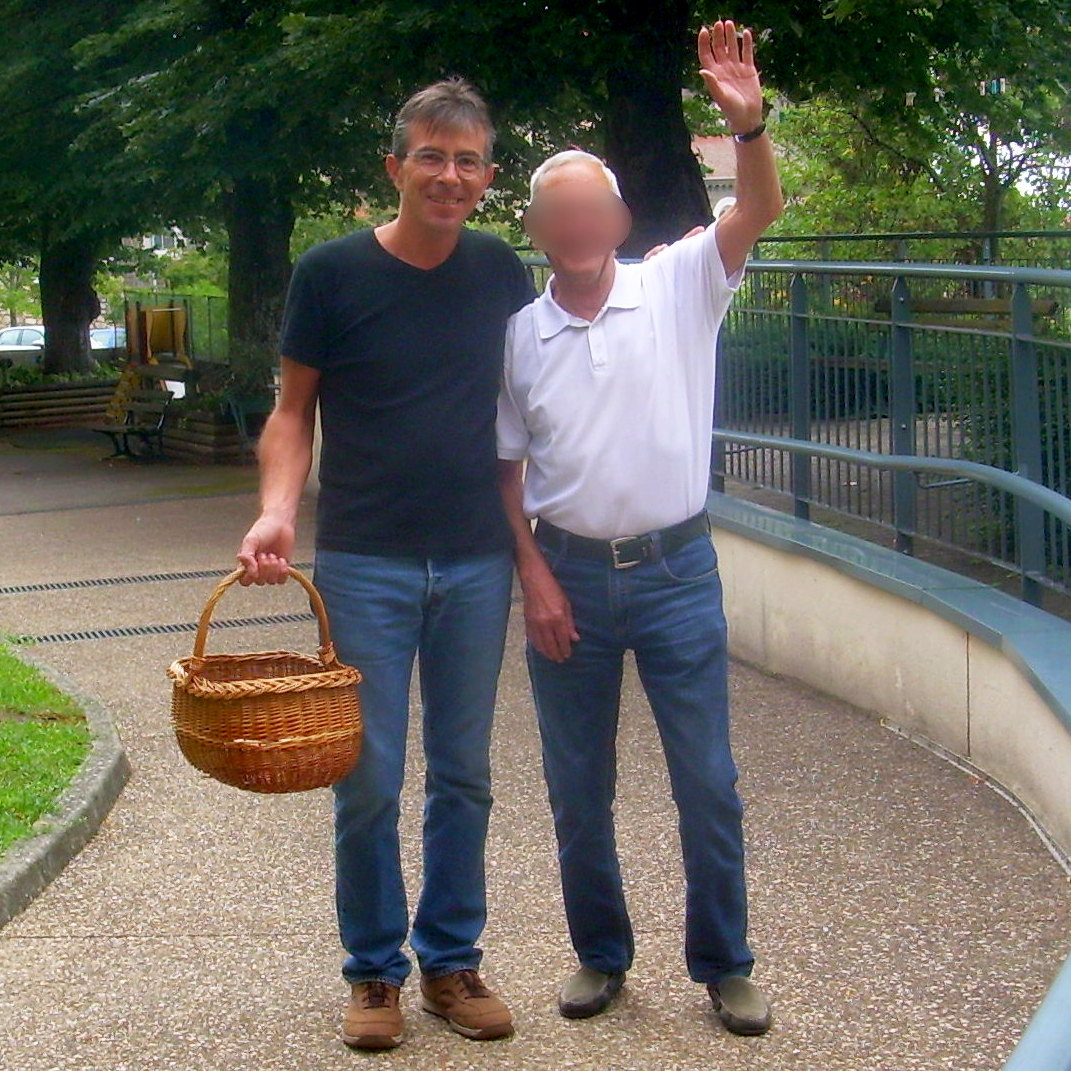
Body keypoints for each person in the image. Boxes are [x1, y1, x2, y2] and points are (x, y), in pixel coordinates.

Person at [496, 21, 783, 1036]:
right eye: (556, 213)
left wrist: (749, 128)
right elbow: (506, 465)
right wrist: (531, 573)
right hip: (566, 575)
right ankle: (600, 955)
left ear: (617, 217)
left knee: (707, 779)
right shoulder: (519, 338)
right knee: (577, 791)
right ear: (538, 229)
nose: (575, 226)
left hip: (675, 571)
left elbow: (755, 210)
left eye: (591, 208)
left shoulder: (679, 283)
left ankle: (726, 962)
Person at [236, 78, 534, 1050]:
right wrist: (278, 510)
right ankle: (373, 975)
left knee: (466, 774)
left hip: (477, 561)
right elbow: (292, 412)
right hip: (365, 559)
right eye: (432, 156)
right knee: (365, 776)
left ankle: (450, 962)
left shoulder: (500, 272)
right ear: (395, 165)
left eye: (468, 160)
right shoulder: (330, 274)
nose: (449, 176)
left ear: (487, 177)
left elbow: (540, 402)